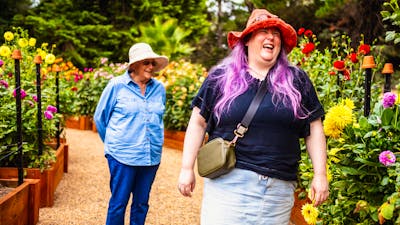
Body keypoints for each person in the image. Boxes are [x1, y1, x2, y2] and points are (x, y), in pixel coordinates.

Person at [177, 8, 329, 225]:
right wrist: (186, 169)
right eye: (263, 31)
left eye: (276, 33)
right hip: (228, 187)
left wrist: (320, 175)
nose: (271, 37)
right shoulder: (221, 78)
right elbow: (198, 123)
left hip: (278, 193)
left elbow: (314, 128)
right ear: (247, 40)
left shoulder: (298, 80)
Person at [94, 42, 168, 225]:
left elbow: (158, 119)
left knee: (142, 204)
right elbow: (100, 118)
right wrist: (114, 144)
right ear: (134, 65)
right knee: (119, 203)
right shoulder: (116, 86)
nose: (151, 67)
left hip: (151, 156)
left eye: (153, 63)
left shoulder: (159, 89)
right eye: (146, 63)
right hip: (121, 156)